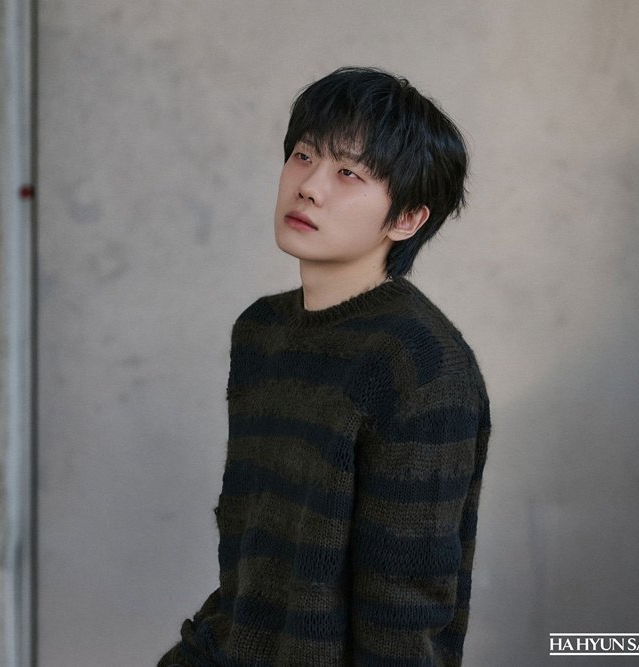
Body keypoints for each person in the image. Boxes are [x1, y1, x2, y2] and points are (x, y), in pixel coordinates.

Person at [157, 67, 491, 666]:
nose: (309, 186)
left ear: (407, 219)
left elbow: (405, 613)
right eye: (304, 156)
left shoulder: (420, 363)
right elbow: (252, 561)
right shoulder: (262, 331)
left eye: (349, 173)